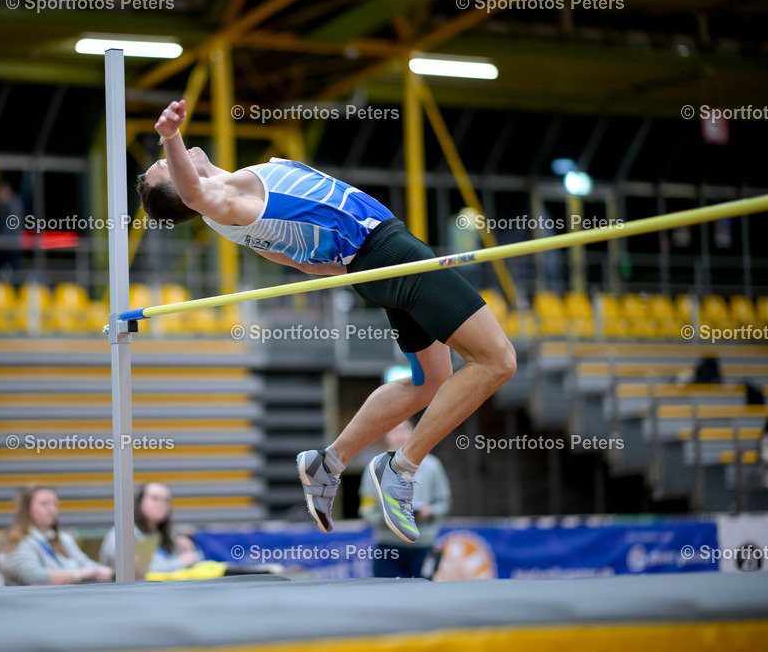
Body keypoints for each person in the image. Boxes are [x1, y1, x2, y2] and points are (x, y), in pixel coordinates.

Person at [137, 100, 515, 544]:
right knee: (498, 361)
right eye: (165, 166)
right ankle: (402, 468)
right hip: (392, 253)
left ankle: (328, 463)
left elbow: (305, 265)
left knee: (432, 380)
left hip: (376, 260)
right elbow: (198, 193)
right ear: (183, 188)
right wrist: (171, 135)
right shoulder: (230, 203)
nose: (166, 159)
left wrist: (359, 269)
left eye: (163, 158)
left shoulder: (237, 206)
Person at [359, 419, 451, 577]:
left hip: (423, 543)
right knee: (384, 595)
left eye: (404, 430)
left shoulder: (432, 465)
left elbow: (444, 501)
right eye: (395, 430)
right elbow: (366, 507)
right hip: (388, 545)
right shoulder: (374, 467)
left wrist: (431, 512)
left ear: (413, 432)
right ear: (386, 435)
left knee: (423, 596)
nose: (400, 435)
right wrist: (384, 518)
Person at [0, 484, 113, 585]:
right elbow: (35, 577)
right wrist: (79, 574)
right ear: (26, 509)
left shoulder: (62, 539)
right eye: (44, 504)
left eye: (54, 504)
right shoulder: (16, 542)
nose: (52, 509)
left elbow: (84, 563)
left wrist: (110, 572)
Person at [99, 483, 203, 574]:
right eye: (155, 498)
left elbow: (197, 558)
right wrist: (181, 562)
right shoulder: (125, 533)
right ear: (139, 502)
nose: (161, 504)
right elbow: (144, 570)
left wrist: (191, 549)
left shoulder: (166, 533)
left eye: (166, 500)